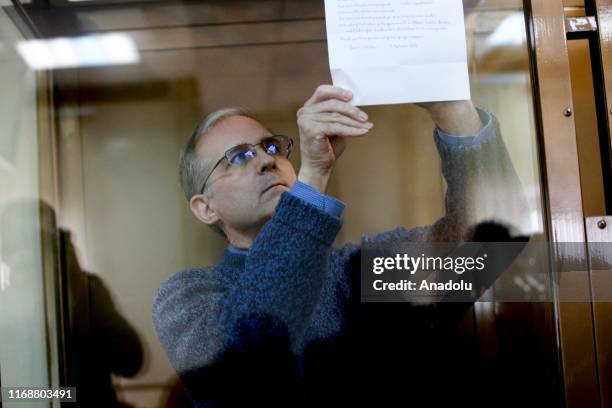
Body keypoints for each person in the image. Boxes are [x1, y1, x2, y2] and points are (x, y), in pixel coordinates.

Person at [152, 85, 529, 407]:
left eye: (271, 146)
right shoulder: (187, 298)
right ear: (206, 208)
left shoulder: (358, 274)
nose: (267, 160)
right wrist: (313, 175)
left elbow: (491, 242)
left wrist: (454, 112)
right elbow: (253, 353)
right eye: (239, 157)